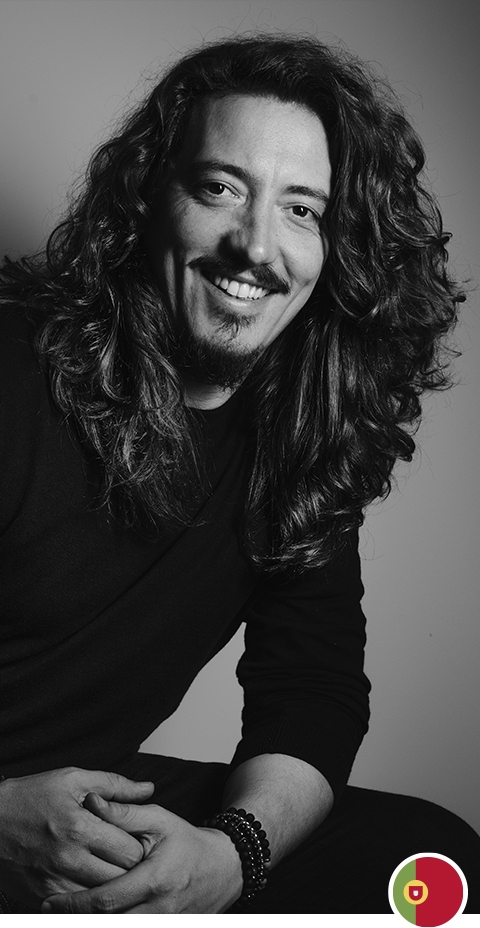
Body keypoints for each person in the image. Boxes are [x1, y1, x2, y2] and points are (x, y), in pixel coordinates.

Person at [0, 34, 478, 915]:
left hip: (96, 812)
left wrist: (231, 856)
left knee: (433, 865)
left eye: (302, 210)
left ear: (341, 250)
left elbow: (311, 691)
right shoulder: (14, 366)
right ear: (149, 199)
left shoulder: (301, 440)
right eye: (220, 188)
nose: (255, 246)